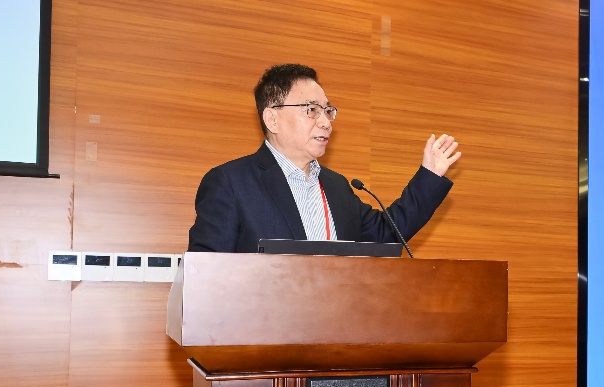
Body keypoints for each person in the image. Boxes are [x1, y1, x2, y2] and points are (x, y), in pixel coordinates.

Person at [188, 64, 461, 253]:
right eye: (311, 110)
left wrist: (429, 176)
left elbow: (387, 235)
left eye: (328, 111)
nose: (325, 122)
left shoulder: (337, 187)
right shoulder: (231, 183)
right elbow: (206, 276)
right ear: (272, 119)